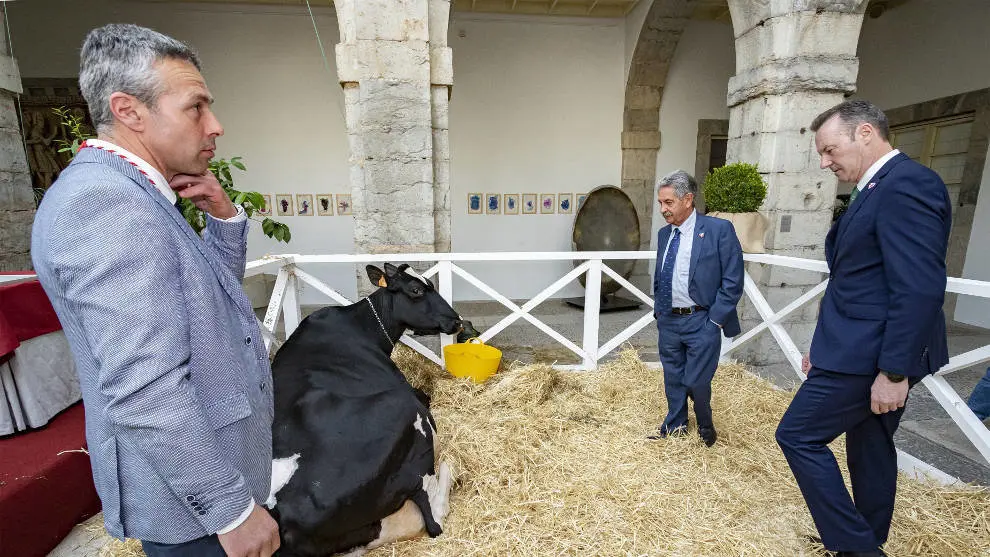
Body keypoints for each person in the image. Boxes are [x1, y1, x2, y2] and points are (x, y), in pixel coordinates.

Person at [31, 24, 279, 557]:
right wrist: (231, 509)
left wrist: (224, 218)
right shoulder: (106, 206)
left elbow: (212, 302)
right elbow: (144, 386)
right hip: (195, 508)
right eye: (196, 107)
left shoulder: (132, 193)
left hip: (206, 478)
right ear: (129, 111)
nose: (215, 125)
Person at [776, 100, 951, 557]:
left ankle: (858, 549)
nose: (824, 162)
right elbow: (856, 282)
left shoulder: (907, 186)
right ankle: (867, 537)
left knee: (796, 435)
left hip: (871, 356)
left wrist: (895, 372)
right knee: (870, 447)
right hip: (855, 346)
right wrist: (821, 344)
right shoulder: (875, 187)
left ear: (866, 133)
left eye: (830, 149)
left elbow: (918, 288)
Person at [649, 170, 744, 447]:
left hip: (702, 320)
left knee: (696, 381)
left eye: (668, 203)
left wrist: (714, 320)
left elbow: (733, 279)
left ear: (688, 199)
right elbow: (661, 274)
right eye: (660, 203)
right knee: (673, 377)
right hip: (669, 320)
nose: (663, 209)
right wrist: (659, 311)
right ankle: (676, 426)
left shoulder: (718, 230)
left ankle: (705, 425)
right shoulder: (664, 234)